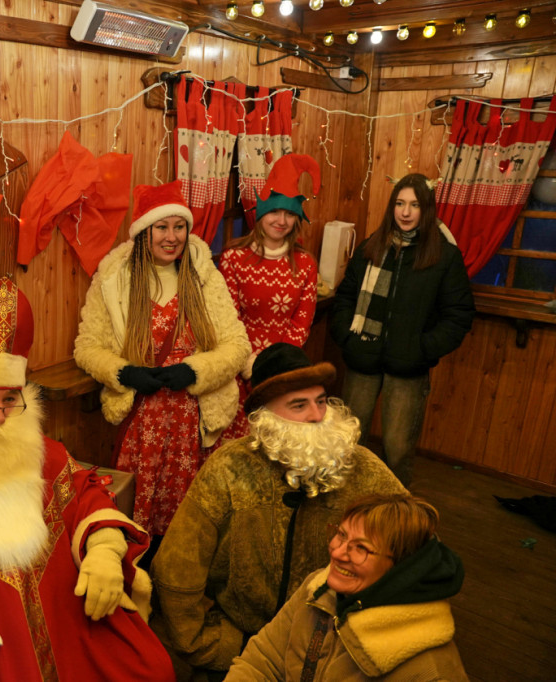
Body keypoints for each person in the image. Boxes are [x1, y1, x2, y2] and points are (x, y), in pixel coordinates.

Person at [0, 275, 175, 681]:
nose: (2, 414)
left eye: (11, 399)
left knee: (148, 666)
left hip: (70, 622)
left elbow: (86, 490)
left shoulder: (41, 451)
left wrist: (104, 549)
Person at [150, 343, 406, 680]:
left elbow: (417, 547)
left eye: (321, 401)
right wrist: (211, 646)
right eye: (298, 405)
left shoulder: (364, 469)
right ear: (266, 418)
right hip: (240, 645)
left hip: (333, 649)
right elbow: (176, 569)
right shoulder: (229, 468)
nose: (317, 415)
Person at [74, 180, 250, 556]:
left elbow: (237, 346)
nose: (172, 237)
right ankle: (142, 583)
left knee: (195, 518)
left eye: (179, 227)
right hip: (145, 420)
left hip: (196, 416)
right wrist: (122, 373)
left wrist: (196, 370)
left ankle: (183, 583)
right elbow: (88, 348)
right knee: (142, 519)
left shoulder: (205, 276)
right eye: (162, 227)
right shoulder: (114, 280)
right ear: (144, 232)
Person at [226, 494, 468, 681]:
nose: (337, 552)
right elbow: (261, 661)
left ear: (400, 569)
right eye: (341, 535)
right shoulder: (318, 588)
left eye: (361, 548)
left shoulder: (430, 670)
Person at [330, 173, 474, 485]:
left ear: (427, 210)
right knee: (347, 446)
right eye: (399, 203)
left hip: (408, 368)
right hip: (362, 359)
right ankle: (347, 514)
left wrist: (421, 349)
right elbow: (345, 297)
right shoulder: (371, 246)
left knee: (397, 452)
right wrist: (347, 337)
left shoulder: (444, 257)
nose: (405, 212)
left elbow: (459, 316)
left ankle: (394, 524)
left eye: (414, 205)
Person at [219, 154, 320, 441]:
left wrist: (276, 366)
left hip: (284, 369)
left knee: (280, 442)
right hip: (239, 365)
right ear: (261, 214)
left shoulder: (305, 264)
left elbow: (301, 322)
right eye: (275, 212)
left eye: (289, 214)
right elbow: (228, 317)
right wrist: (248, 363)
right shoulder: (234, 258)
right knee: (239, 444)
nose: (282, 220)